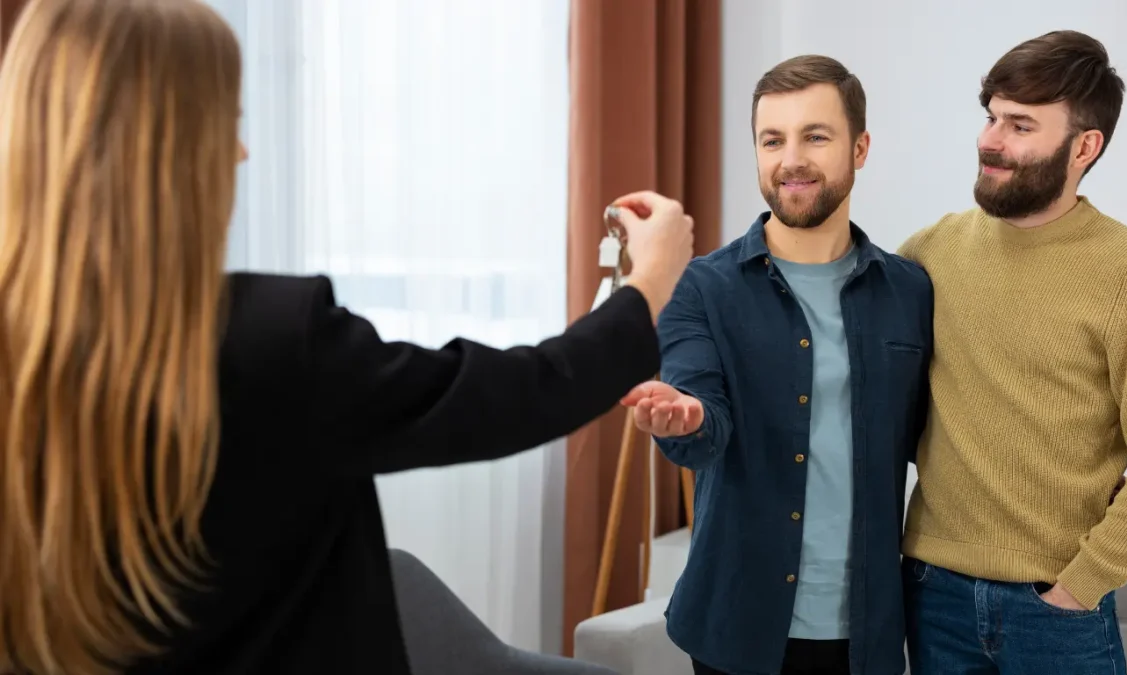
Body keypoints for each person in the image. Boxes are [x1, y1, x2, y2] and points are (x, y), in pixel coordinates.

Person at [0, 1, 697, 674]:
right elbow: (520, 394)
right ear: (162, 147)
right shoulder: (273, 342)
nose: (241, 152)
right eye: (226, 123)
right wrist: (648, 288)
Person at [899, 30, 1127, 675]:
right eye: (991, 117)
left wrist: (1082, 584)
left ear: (1084, 147)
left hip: (1057, 611)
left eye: (1020, 125)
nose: (990, 140)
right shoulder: (928, 253)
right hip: (932, 595)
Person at [621, 55, 932, 675]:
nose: (791, 159)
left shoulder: (910, 291)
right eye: (772, 140)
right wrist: (684, 418)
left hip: (870, 631)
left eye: (815, 136)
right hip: (736, 625)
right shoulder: (700, 288)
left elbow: (935, 440)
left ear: (860, 148)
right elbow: (702, 426)